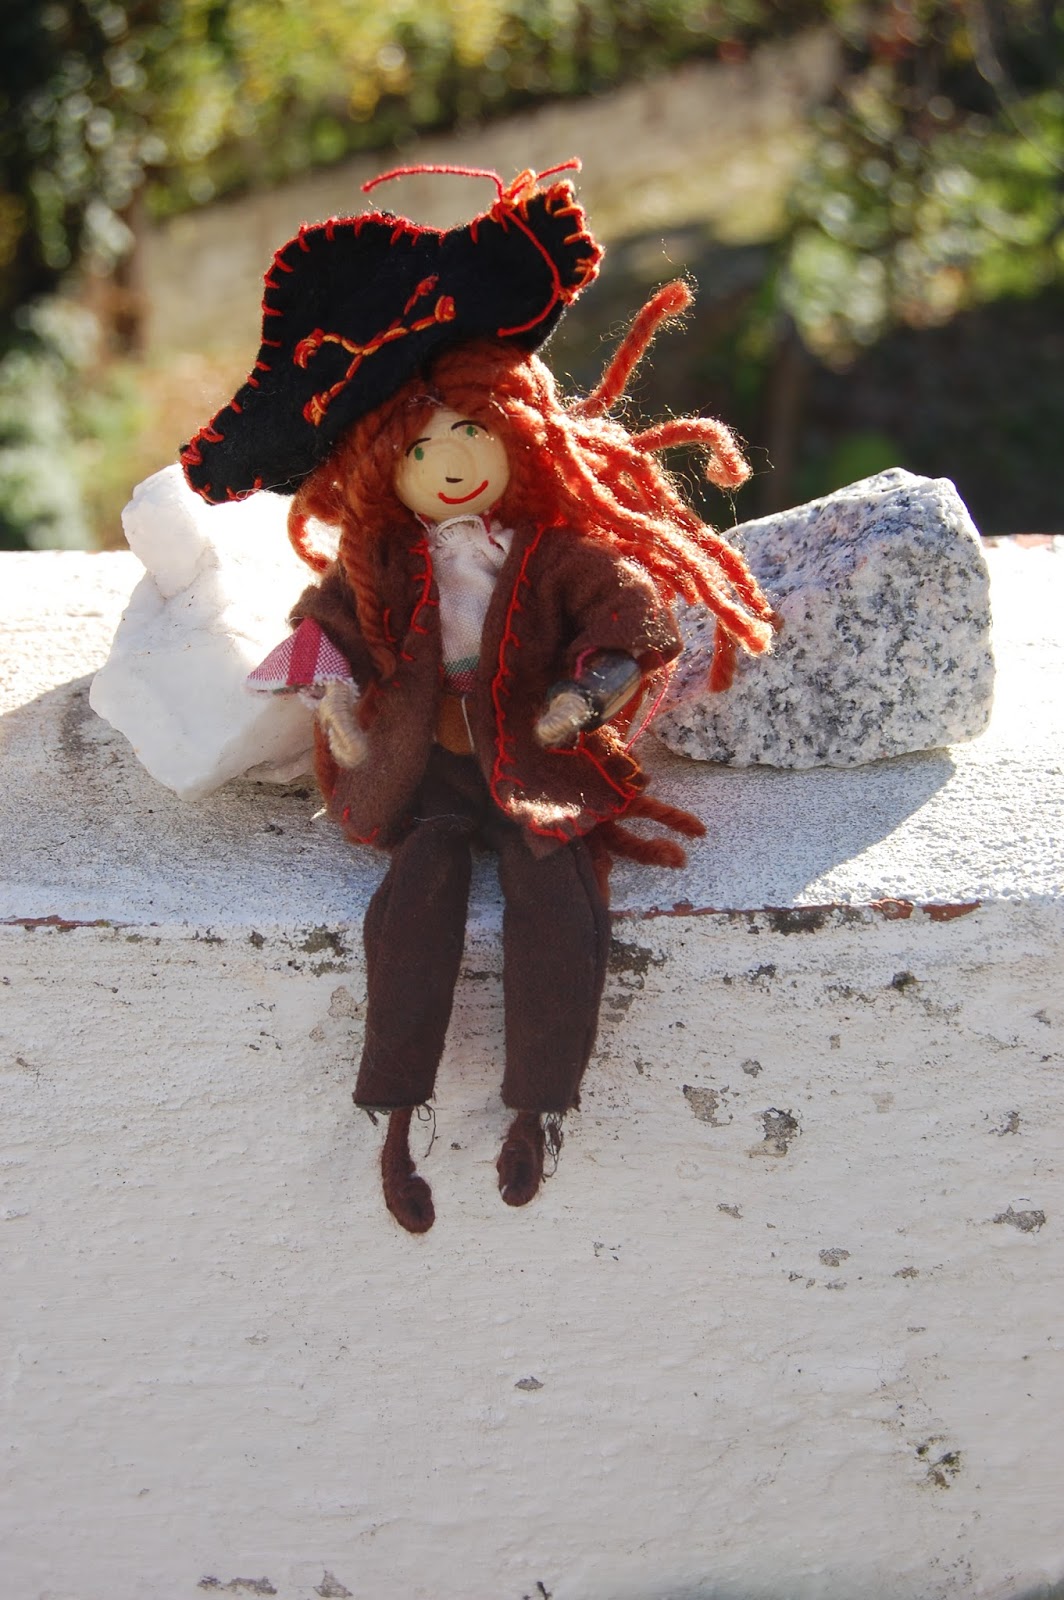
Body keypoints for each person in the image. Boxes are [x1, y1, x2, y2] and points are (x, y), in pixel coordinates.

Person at [181, 163, 776, 1232]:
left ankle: (536, 1112)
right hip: (429, 768)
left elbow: (630, 613)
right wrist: (332, 698)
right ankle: (394, 1120)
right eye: (418, 446)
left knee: (561, 902)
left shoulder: (551, 552)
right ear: (379, 468)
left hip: (537, 753)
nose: (450, 461)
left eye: (471, 432)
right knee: (414, 904)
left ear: (518, 432)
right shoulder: (383, 567)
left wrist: (591, 691)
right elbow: (326, 626)